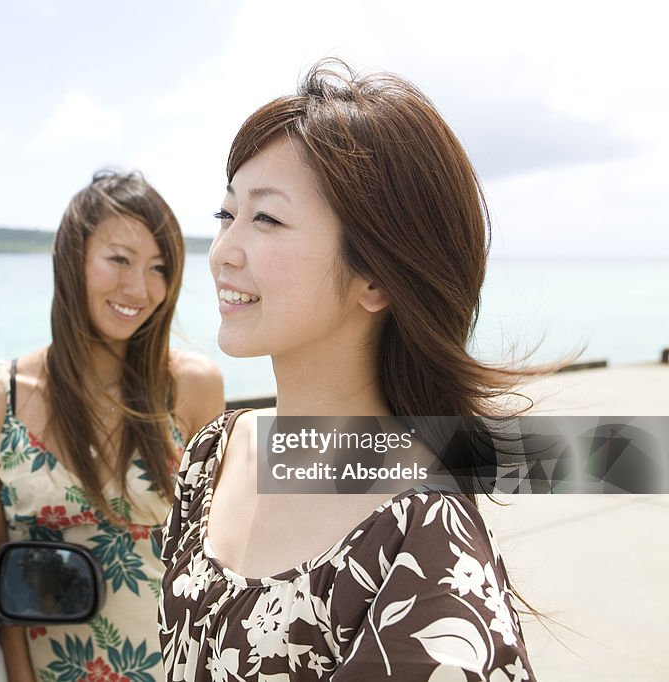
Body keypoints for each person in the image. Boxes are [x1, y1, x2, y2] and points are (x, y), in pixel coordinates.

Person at [158, 60, 538, 681]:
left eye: (267, 219)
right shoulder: (211, 457)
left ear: (378, 276)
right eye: (227, 215)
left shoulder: (422, 542)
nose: (222, 252)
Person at [0, 170, 224, 682]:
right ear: (71, 260)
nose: (139, 288)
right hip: (54, 667)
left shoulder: (191, 387)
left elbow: (213, 553)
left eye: (159, 268)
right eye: (119, 259)